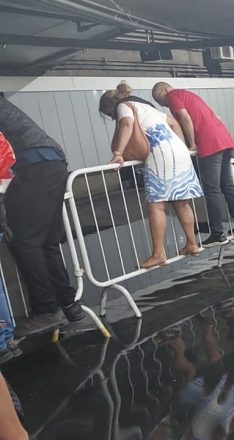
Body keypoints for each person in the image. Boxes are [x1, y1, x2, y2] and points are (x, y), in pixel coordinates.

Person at [0, 98, 87, 337]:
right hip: (50, 162)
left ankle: (47, 310)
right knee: (46, 240)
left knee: (24, 241)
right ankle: (68, 305)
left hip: (32, 165)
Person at [100, 83, 202, 269]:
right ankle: (192, 243)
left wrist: (118, 152)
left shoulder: (124, 106)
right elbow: (173, 122)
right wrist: (179, 144)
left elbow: (126, 124)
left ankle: (158, 253)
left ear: (109, 106)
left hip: (160, 153)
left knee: (156, 205)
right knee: (182, 202)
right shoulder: (146, 106)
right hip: (178, 150)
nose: (110, 116)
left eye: (107, 113)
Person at [152, 82, 234, 245]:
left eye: (160, 100)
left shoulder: (172, 96)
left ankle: (217, 233)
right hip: (224, 141)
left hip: (209, 144)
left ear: (164, 90)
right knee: (228, 186)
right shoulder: (190, 95)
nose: (163, 104)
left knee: (212, 190)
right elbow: (216, 117)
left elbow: (184, 118)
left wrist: (192, 144)